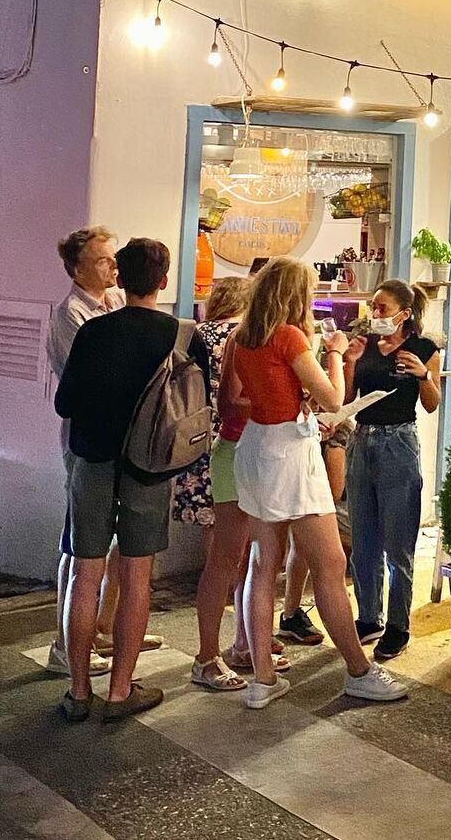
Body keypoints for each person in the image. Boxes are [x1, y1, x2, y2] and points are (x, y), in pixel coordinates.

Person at [224, 257, 406, 708]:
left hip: (256, 447)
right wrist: (336, 353)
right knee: (329, 563)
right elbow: (334, 398)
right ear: (293, 295)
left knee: (262, 564)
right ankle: (358, 670)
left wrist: (292, 399)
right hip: (291, 455)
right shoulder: (289, 336)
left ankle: (262, 679)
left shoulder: (242, 337)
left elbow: (242, 397)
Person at [53, 238, 182, 722]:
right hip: (147, 464)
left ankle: (78, 690)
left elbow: (64, 403)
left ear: (120, 279)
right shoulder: (174, 334)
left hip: (92, 458)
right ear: (163, 281)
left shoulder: (93, 331)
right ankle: (120, 690)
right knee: (136, 576)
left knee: (84, 575)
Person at [343, 280, 441, 662]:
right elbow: (346, 399)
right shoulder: (364, 344)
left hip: (398, 442)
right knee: (363, 536)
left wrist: (423, 375)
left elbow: (431, 404)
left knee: (398, 541)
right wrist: (349, 363)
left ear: (405, 313)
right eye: (373, 307)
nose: (375, 314)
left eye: (382, 308)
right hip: (361, 439)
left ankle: (398, 625)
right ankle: (369, 616)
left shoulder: (424, 349)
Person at [187, 276, 275, 694]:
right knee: (227, 558)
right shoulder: (240, 337)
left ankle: (244, 644)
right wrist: (276, 404)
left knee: (253, 556)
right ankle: (208, 655)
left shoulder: (259, 335)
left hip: (246, 450)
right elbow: (228, 403)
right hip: (233, 449)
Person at [45, 226, 125, 679]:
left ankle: (95, 629)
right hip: (86, 439)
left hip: (115, 437)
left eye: (113, 258)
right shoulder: (70, 316)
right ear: (77, 270)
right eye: (102, 260)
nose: (113, 266)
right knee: (79, 542)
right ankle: (64, 644)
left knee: (105, 540)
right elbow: (94, 378)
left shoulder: (115, 301)